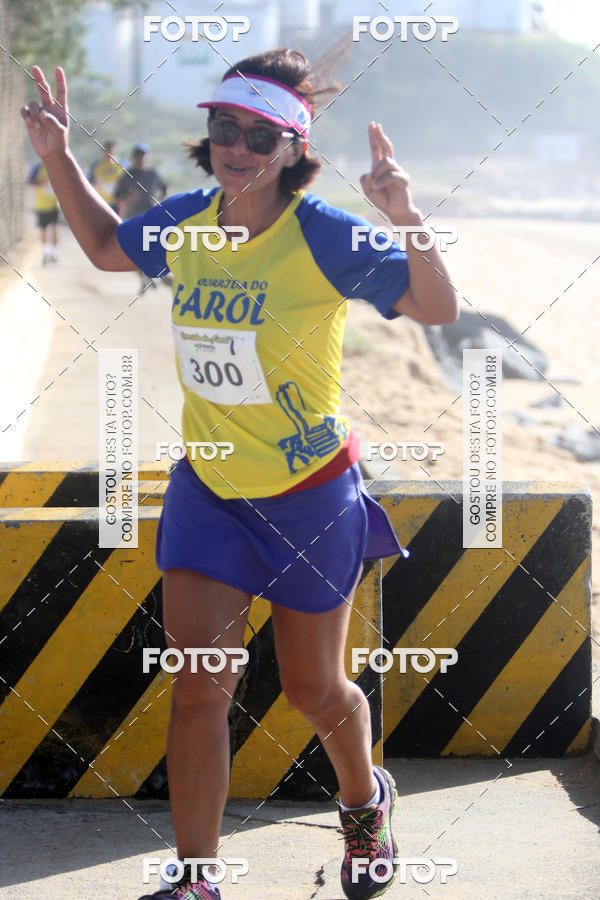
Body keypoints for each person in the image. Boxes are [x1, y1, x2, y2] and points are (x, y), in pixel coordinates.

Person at [21, 49, 458, 900]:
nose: (237, 147)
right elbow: (107, 248)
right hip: (211, 492)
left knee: (312, 690)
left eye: (261, 135)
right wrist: (58, 156)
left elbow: (437, 308)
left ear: (294, 148)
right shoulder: (186, 222)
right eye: (225, 128)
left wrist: (406, 215)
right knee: (198, 690)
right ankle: (196, 878)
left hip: (309, 497)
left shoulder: (324, 234)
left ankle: (365, 803)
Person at [113, 142, 168, 290]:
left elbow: (165, 188)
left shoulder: (152, 174)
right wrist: (128, 197)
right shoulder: (126, 176)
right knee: (134, 251)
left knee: (151, 248)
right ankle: (145, 278)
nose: (140, 159)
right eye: (137, 156)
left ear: (147, 157)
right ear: (133, 158)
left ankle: (152, 276)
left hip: (151, 217)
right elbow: (116, 197)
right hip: (132, 218)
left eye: (143, 156)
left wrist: (159, 201)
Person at [26, 160, 60, 264]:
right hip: (41, 205)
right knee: (43, 230)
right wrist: (41, 183)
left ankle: (54, 253)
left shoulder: (57, 166)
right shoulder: (38, 167)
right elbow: (29, 181)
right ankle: (46, 251)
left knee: (54, 227)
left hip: (54, 203)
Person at [87, 139, 126, 213]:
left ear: (115, 151)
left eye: (111, 151)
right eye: (107, 151)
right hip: (101, 202)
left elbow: (128, 182)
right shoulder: (96, 165)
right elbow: (89, 183)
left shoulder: (123, 164)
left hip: (117, 203)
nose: (109, 154)